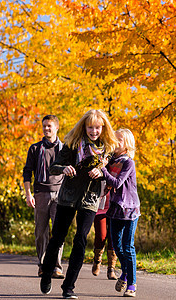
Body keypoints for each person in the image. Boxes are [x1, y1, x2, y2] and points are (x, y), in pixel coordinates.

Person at [39, 109, 118, 299]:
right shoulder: (73, 144)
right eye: (90, 127)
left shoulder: (108, 148)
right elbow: (53, 167)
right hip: (68, 196)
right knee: (57, 238)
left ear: (103, 128)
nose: (93, 131)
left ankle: (69, 287)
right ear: (84, 127)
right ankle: (47, 272)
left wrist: (102, 173)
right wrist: (64, 168)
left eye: (97, 127)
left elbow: (112, 174)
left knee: (80, 241)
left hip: (90, 200)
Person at [23, 114, 65, 279]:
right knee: (41, 232)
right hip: (40, 194)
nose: (46, 128)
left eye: (49, 126)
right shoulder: (35, 148)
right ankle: (42, 265)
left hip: (61, 195)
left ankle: (56, 267)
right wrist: (28, 194)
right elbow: (27, 173)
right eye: (44, 126)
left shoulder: (65, 149)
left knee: (58, 232)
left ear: (56, 127)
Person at [102, 128, 140, 298]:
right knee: (116, 246)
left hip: (130, 209)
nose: (116, 143)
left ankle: (131, 283)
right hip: (115, 208)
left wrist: (102, 169)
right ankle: (125, 272)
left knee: (127, 246)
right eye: (114, 139)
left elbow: (116, 182)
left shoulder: (128, 163)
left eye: (120, 140)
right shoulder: (111, 161)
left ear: (127, 145)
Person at [91, 191, 118, 280]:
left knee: (113, 238)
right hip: (100, 208)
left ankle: (111, 269)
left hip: (115, 208)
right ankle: (97, 260)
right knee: (101, 236)